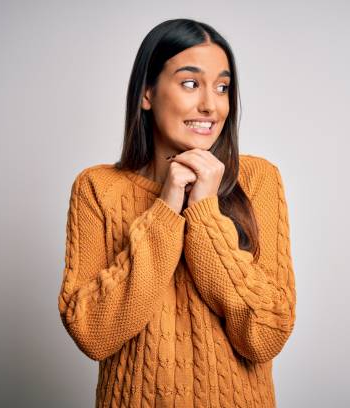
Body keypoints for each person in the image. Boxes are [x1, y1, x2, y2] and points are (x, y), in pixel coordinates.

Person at [58, 18, 296, 408]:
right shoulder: (97, 188)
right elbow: (93, 333)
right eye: (190, 83)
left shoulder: (258, 179)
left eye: (222, 87)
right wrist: (167, 206)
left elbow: (265, 335)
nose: (210, 104)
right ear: (146, 94)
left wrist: (203, 210)